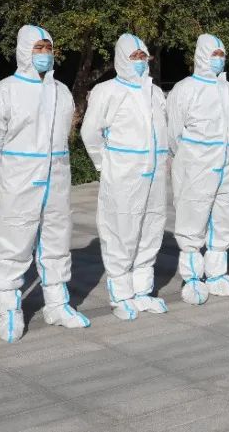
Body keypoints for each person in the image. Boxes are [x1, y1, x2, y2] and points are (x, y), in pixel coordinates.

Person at [0, 24, 90, 343]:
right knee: (14, 244)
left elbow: (62, 137)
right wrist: (3, 180)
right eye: (38, 48)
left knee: (56, 241)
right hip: (19, 179)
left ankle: (57, 304)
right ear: (24, 51)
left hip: (55, 180)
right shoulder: (5, 91)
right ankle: (8, 309)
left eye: (48, 48)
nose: (44, 54)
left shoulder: (61, 92)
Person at [80, 33, 169, 320]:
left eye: (143, 56)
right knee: (121, 230)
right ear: (121, 59)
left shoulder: (155, 93)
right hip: (123, 174)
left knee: (150, 228)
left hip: (154, 174)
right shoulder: (107, 91)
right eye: (134, 57)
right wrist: (104, 164)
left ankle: (142, 291)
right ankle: (120, 294)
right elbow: (90, 132)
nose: (140, 61)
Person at [168, 33, 229, 305]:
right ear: (202, 55)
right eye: (214, 54)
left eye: (222, 54)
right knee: (193, 219)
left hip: (226, 164)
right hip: (197, 165)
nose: (219, 59)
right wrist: (191, 159)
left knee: (223, 217)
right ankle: (192, 279)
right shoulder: (185, 89)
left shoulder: (228, 90)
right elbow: (174, 134)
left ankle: (216, 275)